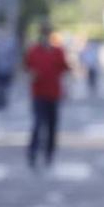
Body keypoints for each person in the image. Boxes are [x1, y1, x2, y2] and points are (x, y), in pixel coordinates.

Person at [23, 22, 71, 169]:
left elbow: (65, 69)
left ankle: (49, 153)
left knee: (52, 126)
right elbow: (26, 68)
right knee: (38, 124)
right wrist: (31, 75)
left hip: (53, 93)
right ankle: (33, 152)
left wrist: (67, 88)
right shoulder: (33, 51)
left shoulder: (58, 51)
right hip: (38, 93)